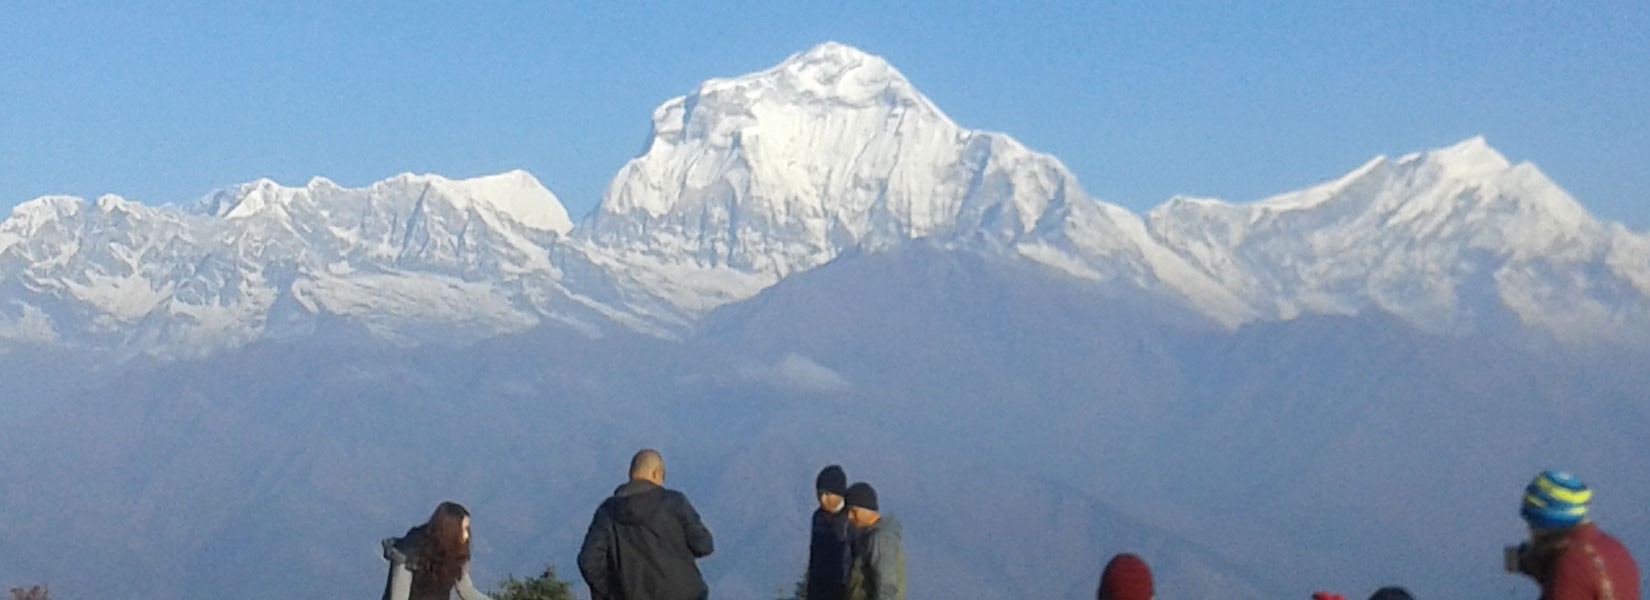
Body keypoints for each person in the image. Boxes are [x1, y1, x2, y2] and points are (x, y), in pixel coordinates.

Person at [578, 449, 715, 600]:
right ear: (656, 473)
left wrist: (612, 593)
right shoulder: (674, 503)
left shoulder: (607, 512)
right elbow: (704, 546)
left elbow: (588, 561)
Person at [1507, 470, 1640, 600]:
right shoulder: (1613, 547)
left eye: (1532, 524)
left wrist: (1555, 571)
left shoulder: (1571, 563)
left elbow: (1575, 582)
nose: (1530, 533)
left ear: (1545, 523)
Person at [381, 501, 494, 600]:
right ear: (450, 532)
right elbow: (398, 597)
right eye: (463, 529)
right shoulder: (409, 552)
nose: (466, 535)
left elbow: (466, 590)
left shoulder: (457, 552)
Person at [844, 482, 904, 600]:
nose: (850, 517)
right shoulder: (869, 536)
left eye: (853, 511)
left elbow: (886, 584)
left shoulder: (881, 539)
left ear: (866, 510)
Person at [807, 465, 853, 600]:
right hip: (818, 588)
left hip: (842, 587)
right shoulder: (817, 517)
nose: (822, 499)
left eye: (827, 494)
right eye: (819, 494)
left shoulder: (850, 518)